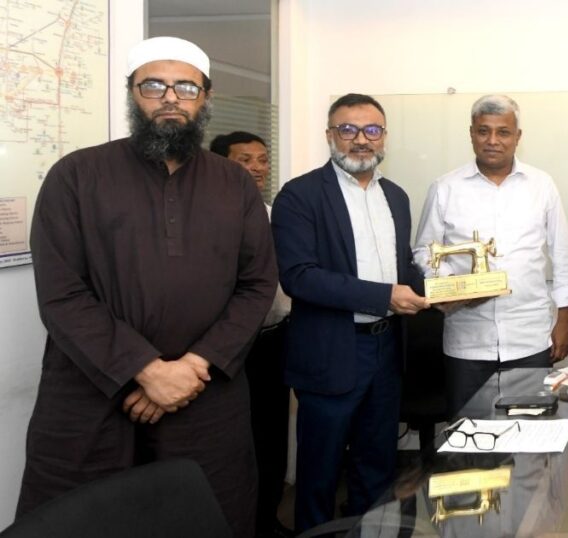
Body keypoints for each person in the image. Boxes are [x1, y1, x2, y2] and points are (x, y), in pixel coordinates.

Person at [17, 36, 277, 538]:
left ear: (206, 97)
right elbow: (62, 293)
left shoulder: (235, 184)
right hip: (93, 395)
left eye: (186, 87)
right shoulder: (75, 175)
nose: (170, 98)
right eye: (154, 86)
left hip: (206, 396)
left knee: (206, 516)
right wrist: (146, 371)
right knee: (83, 521)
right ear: (132, 93)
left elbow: (257, 285)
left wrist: (192, 368)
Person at [272, 93, 428, 532]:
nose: (361, 139)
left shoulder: (395, 196)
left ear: (384, 137)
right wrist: (384, 296)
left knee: (377, 468)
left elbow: (401, 269)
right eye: (348, 129)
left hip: (386, 351)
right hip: (331, 353)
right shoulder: (300, 195)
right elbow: (300, 277)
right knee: (320, 474)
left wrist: (445, 290)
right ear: (330, 136)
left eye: (372, 130)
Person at [413, 94, 568, 415]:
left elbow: (562, 257)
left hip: (529, 338)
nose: (493, 140)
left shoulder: (541, 185)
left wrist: (565, 321)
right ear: (471, 134)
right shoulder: (445, 188)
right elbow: (424, 250)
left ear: (518, 136)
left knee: (530, 431)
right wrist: (455, 287)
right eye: (483, 131)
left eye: (503, 132)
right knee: (467, 433)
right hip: (467, 341)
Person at [210, 131, 293, 538]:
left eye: (262, 159)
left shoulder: (273, 213)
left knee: (272, 437)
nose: (258, 168)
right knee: (231, 440)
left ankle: (267, 520)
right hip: (228, 347)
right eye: (245, 160)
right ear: (220, 164)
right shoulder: (208, 215)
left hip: (274, 340)